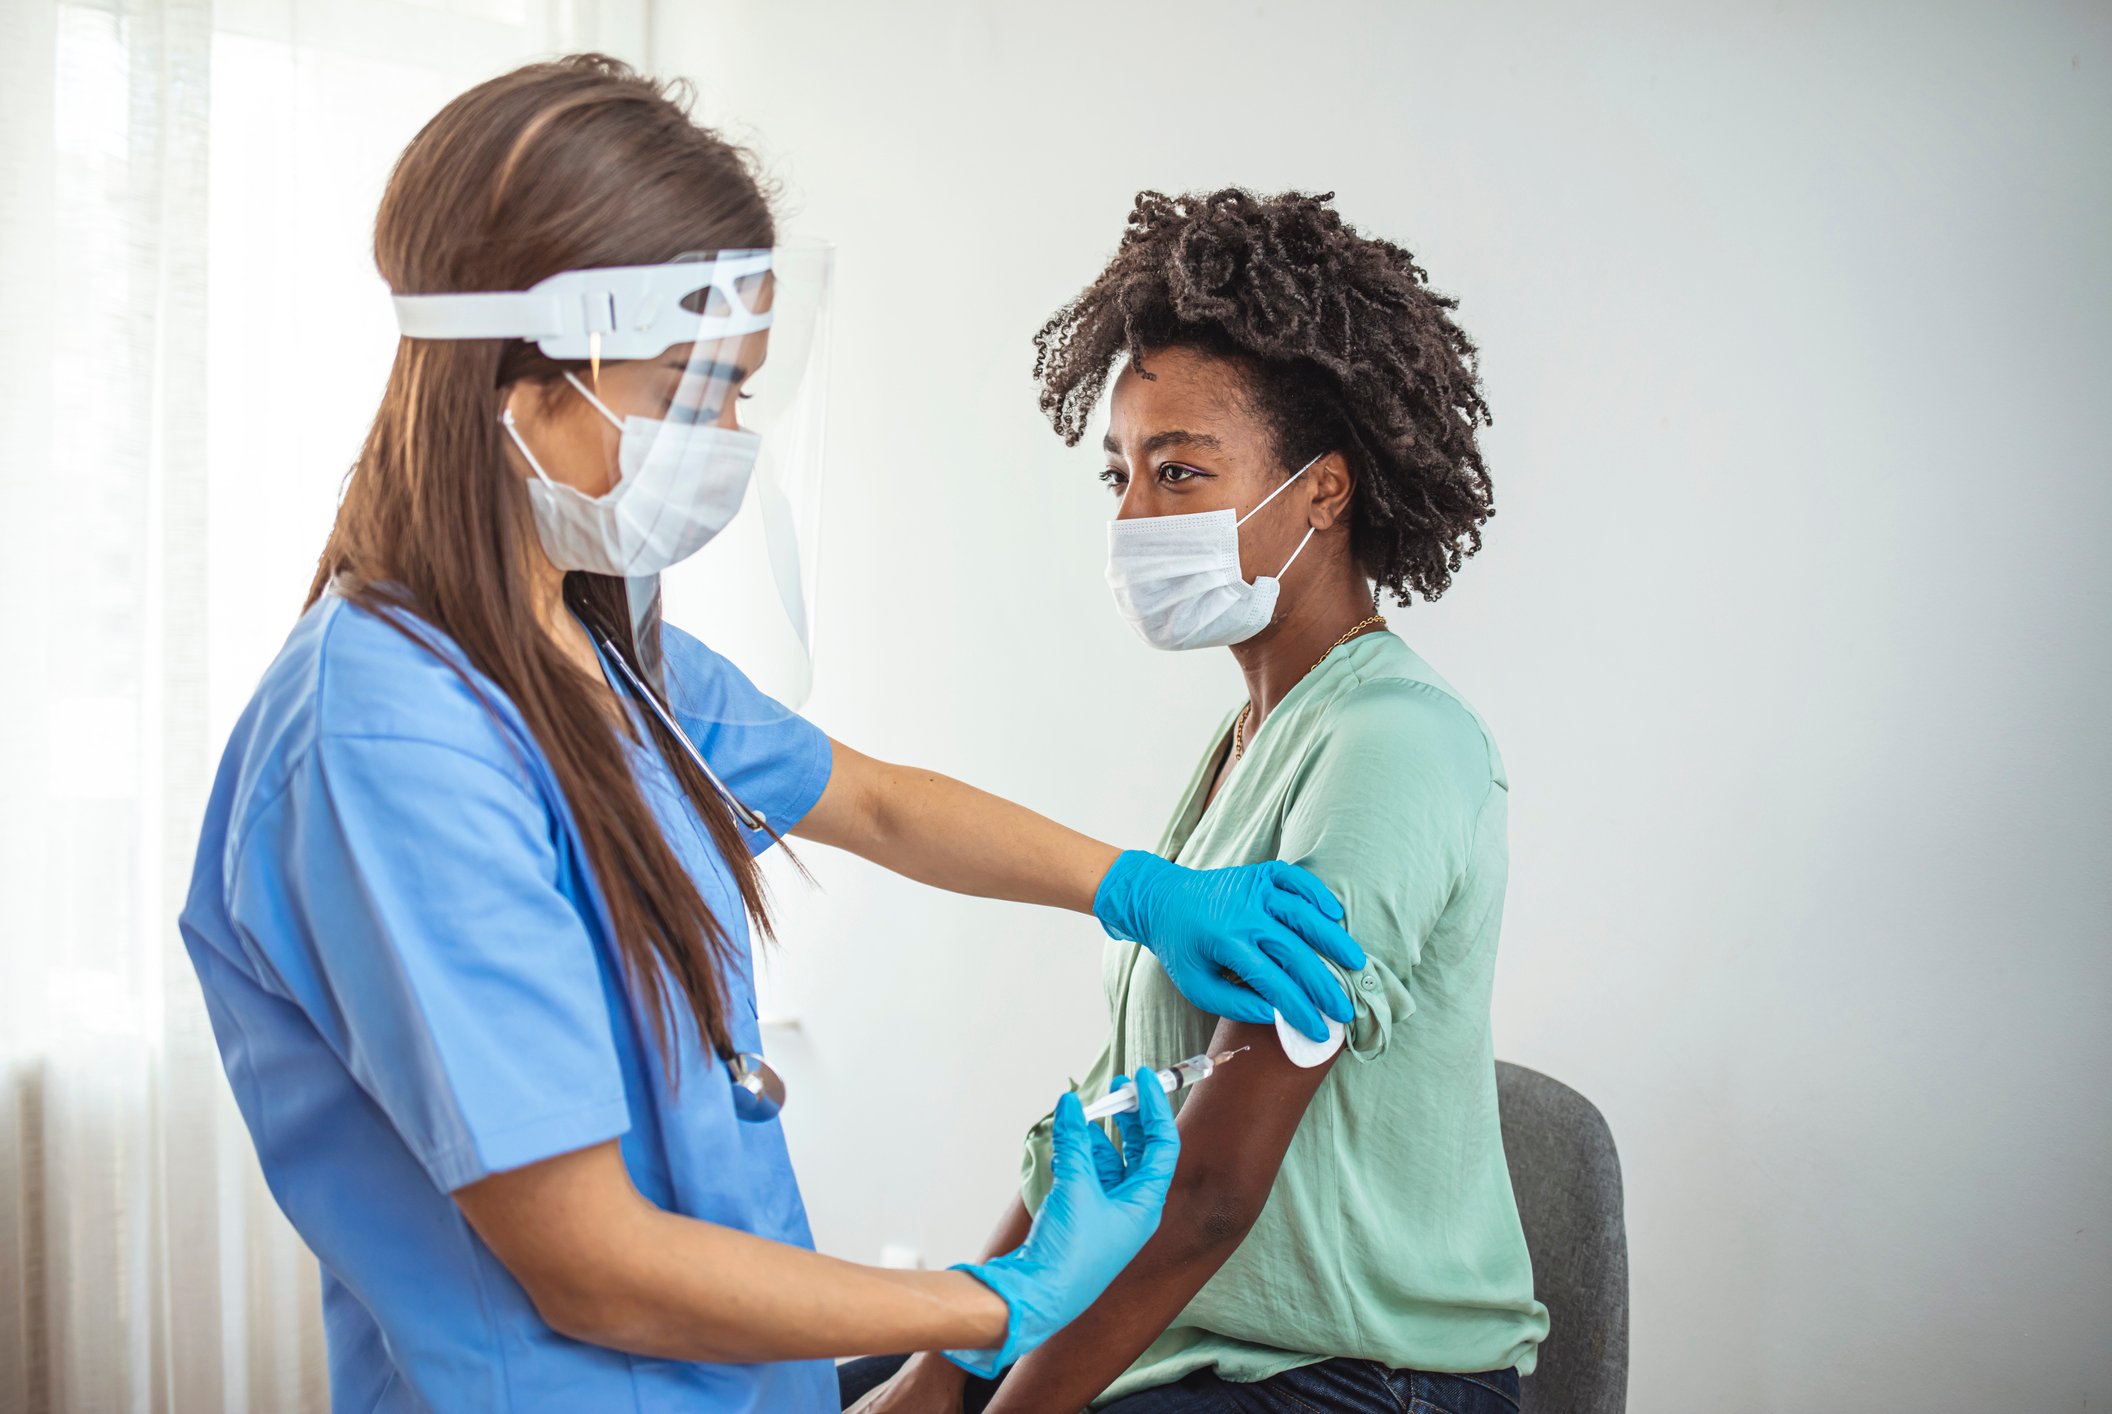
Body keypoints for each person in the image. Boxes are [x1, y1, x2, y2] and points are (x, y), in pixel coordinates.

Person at [177, 67, 1371, 1414]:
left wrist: (1141, 891)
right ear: (527, 376)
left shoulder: (593, 652)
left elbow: (867, 800)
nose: (729, 439)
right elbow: (591, 1263)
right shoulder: (386, 741)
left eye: (741, 390)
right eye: (694, 390)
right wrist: (997, 1298)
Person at [839, 191, 1548, 1414]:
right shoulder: (1248, 744)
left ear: (1322, 493)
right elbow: (1128, 1102)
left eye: (1179, 473)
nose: (1131, 519)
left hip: (1359, 1379)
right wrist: (943, 1364)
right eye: (1121, 474)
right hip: (1200, 1340)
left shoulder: (1393, 743)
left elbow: (1214, 1187)